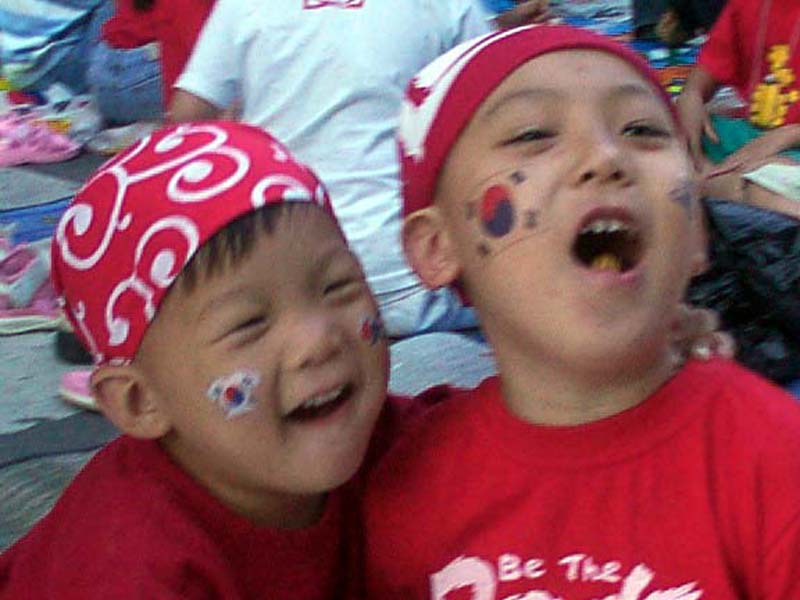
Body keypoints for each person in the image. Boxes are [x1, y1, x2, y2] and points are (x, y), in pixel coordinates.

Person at [361, 25, 800, 599]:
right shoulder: (403, 481)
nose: (605, 157)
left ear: (698, 231)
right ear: (438, 247)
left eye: (641, 129)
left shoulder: (774, 463)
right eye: (533, 134)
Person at [0, 122, 388, 598]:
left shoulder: (387, 439)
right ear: (140, 400)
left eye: (338, 287)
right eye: (249, 323)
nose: (318, 340)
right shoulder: (133, 571)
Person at [168, 0, 548, 337]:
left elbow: (185, 121)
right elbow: (503, 113)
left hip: (296, 287)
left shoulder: (245, 5)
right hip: (422, 286)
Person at [676, 0, 800, 220]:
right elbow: (696, 87)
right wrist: (690, 100)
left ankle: (714, 187)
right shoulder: (746, 5)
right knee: (660, 129)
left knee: (771, 183)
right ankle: (726, 186)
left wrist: (788, 135)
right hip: (750, 139)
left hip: (790, 149)